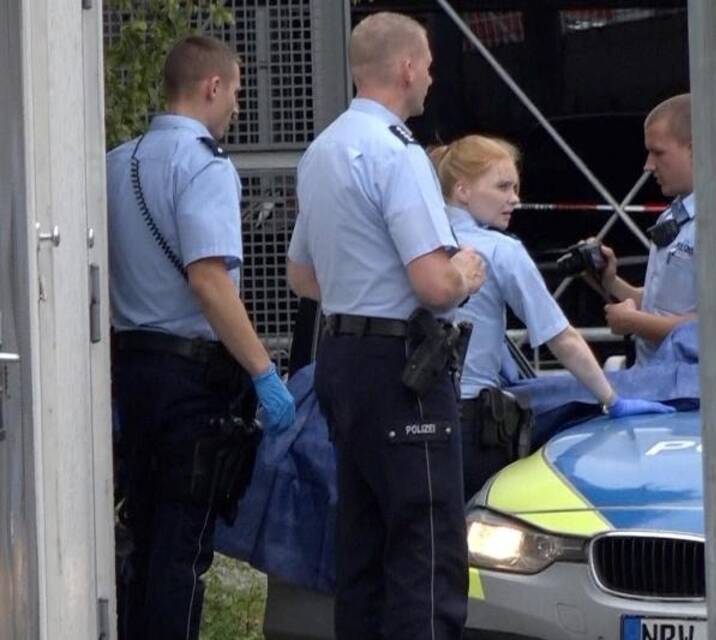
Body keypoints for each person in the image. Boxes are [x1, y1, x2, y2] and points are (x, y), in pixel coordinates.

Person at [285, 12, 486, 640]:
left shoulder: (323, 150)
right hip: (402, 368)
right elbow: (433, 282)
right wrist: (467, 275)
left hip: (342, 357)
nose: (431, 76)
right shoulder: (398, 155)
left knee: (364, 547)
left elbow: (301, 275)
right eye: (427, 63)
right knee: (425, 550)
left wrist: (362, 285)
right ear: (405, 67)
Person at [107, 35, 295, 640]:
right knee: (183, 549)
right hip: (191, 381)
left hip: (130, 369)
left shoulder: (115, 162)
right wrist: (265, 372)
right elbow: (210, 281)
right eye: (237, 92)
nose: (237, 106)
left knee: (143, 533)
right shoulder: (205, 166)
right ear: (212, 86)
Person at [430, 135, 677, 498]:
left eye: (516, 187)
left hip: (408, 413)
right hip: (466, 420)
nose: (514, 198)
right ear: (463, 190)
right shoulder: (501, 251)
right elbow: (561, 337)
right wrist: (612, 399)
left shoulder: (417, 241)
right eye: (502, 186)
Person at [600, 93, 716, 361]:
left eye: (658, 152)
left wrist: (634, 323)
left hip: (698, 393)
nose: (648, 165)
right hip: (665, 384)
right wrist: (610, 281)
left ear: (694, 150)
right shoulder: (673, 217)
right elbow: (666, 307)